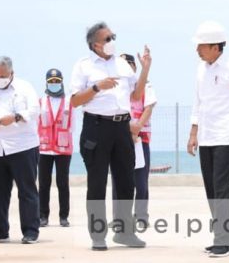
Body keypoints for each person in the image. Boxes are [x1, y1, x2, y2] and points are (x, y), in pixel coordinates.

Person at [70, 22, 152, 251]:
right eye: (107, 39)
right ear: (95, 44)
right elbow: (75, 101)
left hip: (122, 127)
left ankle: (124, 233)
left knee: (126, 182)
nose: (112, 41)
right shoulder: (83, 66)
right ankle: (98, 235)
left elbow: (136, 95)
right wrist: (97, 87)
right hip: (97, 127)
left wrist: (145, 69)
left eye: (113, 37)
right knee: (97, 183)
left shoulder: (122, 64)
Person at [186, 20, 229, 258]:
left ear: (216, 47)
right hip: (205, 135)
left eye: (201, 45)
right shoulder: (200, 69)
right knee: (210, 188)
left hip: (225, 136)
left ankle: (222, 240)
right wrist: (193, 133)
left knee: (221, 188)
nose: (197, 50)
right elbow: (197, 102)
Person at [0, 56, 41, 244]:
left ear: (11, 72)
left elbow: (35, 110)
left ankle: (30, 231)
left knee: (27, 190)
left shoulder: (25, 87)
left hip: (22, 146)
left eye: (3, 75)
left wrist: (15, 117)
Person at [111, 53, 158, 228]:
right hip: (119, 138)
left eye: (128, 63)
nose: (125, 66)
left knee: (141, 181)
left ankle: (141, 216)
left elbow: (149, 107)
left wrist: (137, 127)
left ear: (134, 67)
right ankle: (119, 217)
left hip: (140, 139)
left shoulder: (145, 84)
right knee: (118, 180)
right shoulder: (115, 86)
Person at [37, 68, 73, 228]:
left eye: (56, 81)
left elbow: (73, 125)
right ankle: (43, 216)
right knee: (44, 184)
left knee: (62, 183)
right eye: (51, 81)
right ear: (46, 83)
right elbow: (36, 124)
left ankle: (64, 216)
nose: (54, 84)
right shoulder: (41, 102)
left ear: (61, 82)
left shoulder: (69, 102)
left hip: (63, 148)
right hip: (44, 148)